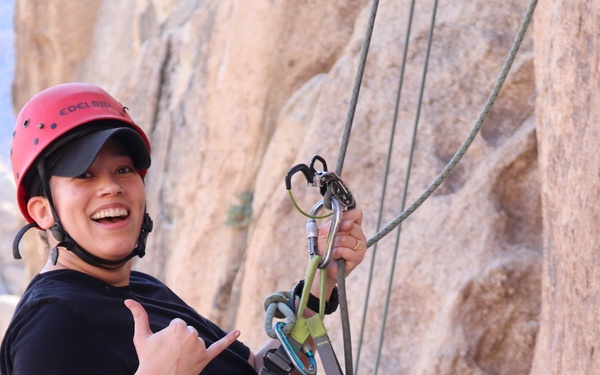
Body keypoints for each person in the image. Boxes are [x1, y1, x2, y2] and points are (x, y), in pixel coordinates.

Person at [0, 82, 367, 374]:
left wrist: (321, 282)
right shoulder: (50, 329)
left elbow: (258, 369)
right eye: (84, 175)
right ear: (43, 211)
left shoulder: (142, 288)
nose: (110, 186)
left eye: (124, 169)